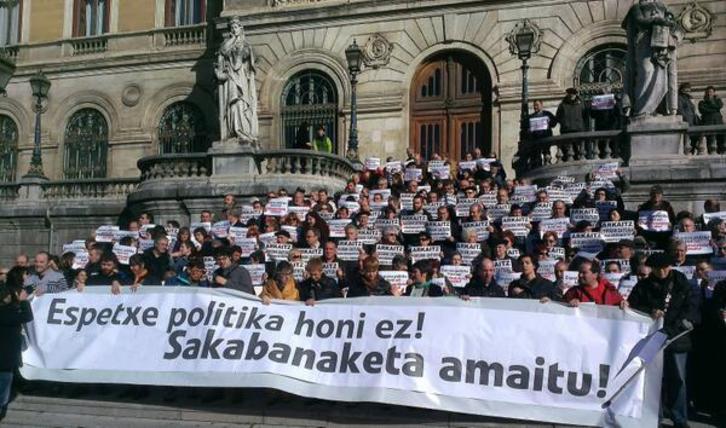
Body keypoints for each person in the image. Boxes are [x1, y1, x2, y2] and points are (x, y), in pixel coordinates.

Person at [628, 254, 693, 428]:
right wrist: (650, 311)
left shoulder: (681, 283)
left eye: (665, 267)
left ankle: (679, 419)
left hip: (677, 337)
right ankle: (654, 417)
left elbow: (690, 307)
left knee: (678, 379)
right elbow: (633, 306)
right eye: (657, 269)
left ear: (671, 266)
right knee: (652, 379)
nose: (662, 271)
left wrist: (676, 326)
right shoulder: (643, 286)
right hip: (653, 338)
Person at [0, 284, 33, 421]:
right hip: (5, 359)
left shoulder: (8, 311)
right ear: (7, 297)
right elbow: (27, 316)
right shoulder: (9, 313)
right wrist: (24, 300)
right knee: (3, 385)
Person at [698, 86, 724, 153]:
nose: (709, 93)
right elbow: (702, 110)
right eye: (708, 92)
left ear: (714, 93)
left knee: (720, 140)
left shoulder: (718, 100)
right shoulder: (702, 102)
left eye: (711, 92)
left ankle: (721, 153)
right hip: (708, 124)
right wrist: (714, 109)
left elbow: (719, 106)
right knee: (710, 141)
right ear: (705, 93)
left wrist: (712, 103)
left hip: (718, 123)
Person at [677, 83, 700, 154]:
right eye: (686, 89)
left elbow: (694, 109)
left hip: (693, 120)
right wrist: (685, 119)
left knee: (695, 137)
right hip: (687, 120)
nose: (688, 90)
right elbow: (680, 110)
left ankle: (692, 151)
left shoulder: (689, 98)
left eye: (689, 89)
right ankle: (688, 152)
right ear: (682, 89)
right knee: (687, 138)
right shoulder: (679, 98)